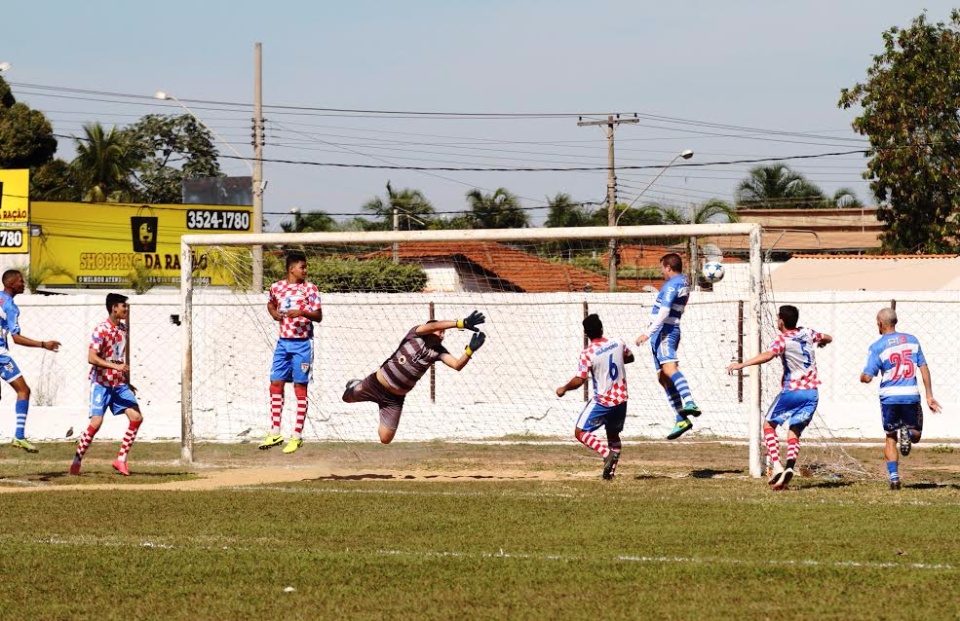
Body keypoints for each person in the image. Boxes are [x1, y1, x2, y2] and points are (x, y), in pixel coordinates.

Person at [726, 305, 832, 490]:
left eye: (777, 319)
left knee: (768, 425)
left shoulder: (782, 340)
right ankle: (790, 467)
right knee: (794, 431)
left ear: (781, 321)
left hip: (792, 391)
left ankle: (776, 465)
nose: (776, 321)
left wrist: (742, 364)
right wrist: (823, 341)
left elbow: (768, 355)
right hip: (812, 393)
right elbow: (827, 337)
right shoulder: (807, 332)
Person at [342, 311, 486, 444]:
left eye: (444, 333)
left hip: (394, 400)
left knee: (385, 439)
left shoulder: (438, 352)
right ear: (429, 329)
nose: (442, 335)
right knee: (346, 398)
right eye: (440, 331)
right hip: (375, 385)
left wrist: (469, 351)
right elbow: (435, 325)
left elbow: (457, 365)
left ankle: (375, 404)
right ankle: (356, 384)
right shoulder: (415, 335)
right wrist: (460, 323)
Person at [860, 307, 942, 490]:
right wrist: (929, 395)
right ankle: (909, 432)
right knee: (916, 435)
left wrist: (863, 377)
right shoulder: (912, 340)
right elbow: (923, 368)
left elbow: (867, 377)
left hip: (889, 396)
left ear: (880, 323)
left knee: (890, 436)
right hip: (910, 394)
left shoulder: (877, 346)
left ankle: (894, 479)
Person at [70, 293, 143, 476]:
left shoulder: (124, 329)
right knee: (96, 422)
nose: (126, 309)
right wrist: (115, 366)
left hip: (119, 384)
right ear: (113, 308)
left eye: (126, 306)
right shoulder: (100, 330)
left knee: (136, 418)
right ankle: (76, 461)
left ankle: (120, 460)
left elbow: (120, 356)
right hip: (101, 383)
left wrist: (126, 379)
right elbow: (91, 358)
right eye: (123, 306)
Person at [556, 314, 634, 480]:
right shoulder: (618, 343)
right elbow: (630, 357)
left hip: (603, 401)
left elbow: (579, 380)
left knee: (580, 432)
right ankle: (609, 474)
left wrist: (564, 388)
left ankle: (606, 454)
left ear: (586, 334)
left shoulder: (588, 353)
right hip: (621, 400)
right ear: (601, 328)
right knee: (613, 435)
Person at [259, 252, 323, 454]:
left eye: (306, 267)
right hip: (283, 343)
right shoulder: (277, 287)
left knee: (299, 387)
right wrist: (273, 313)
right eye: (302, 267)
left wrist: (302, 312)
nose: (305, 270)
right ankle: (275, 431)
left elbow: (318, 316)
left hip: (303, 344)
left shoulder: (310, 289)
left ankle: (296, 436)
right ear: (291, 269)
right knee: (275, 382)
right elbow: (270, 302)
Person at [635, 253, 700, 440]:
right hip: (664, 331)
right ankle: (681, 418)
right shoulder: (684, 282)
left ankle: (689, 402)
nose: (661, 271)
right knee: (663, 378)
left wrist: (646, 334)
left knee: (670, 369)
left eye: (662, 268)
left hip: (665, 331)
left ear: (668, 267)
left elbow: (664, 311)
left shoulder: (672, 284)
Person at [0, 269, 62, 453]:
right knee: (23, 390)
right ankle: (19, 436)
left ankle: (19, 437)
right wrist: (44, 344)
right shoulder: (10, 306)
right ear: (11, 284)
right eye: (20, 281)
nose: (23, 284)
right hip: (1, 356)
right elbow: (16, 338)